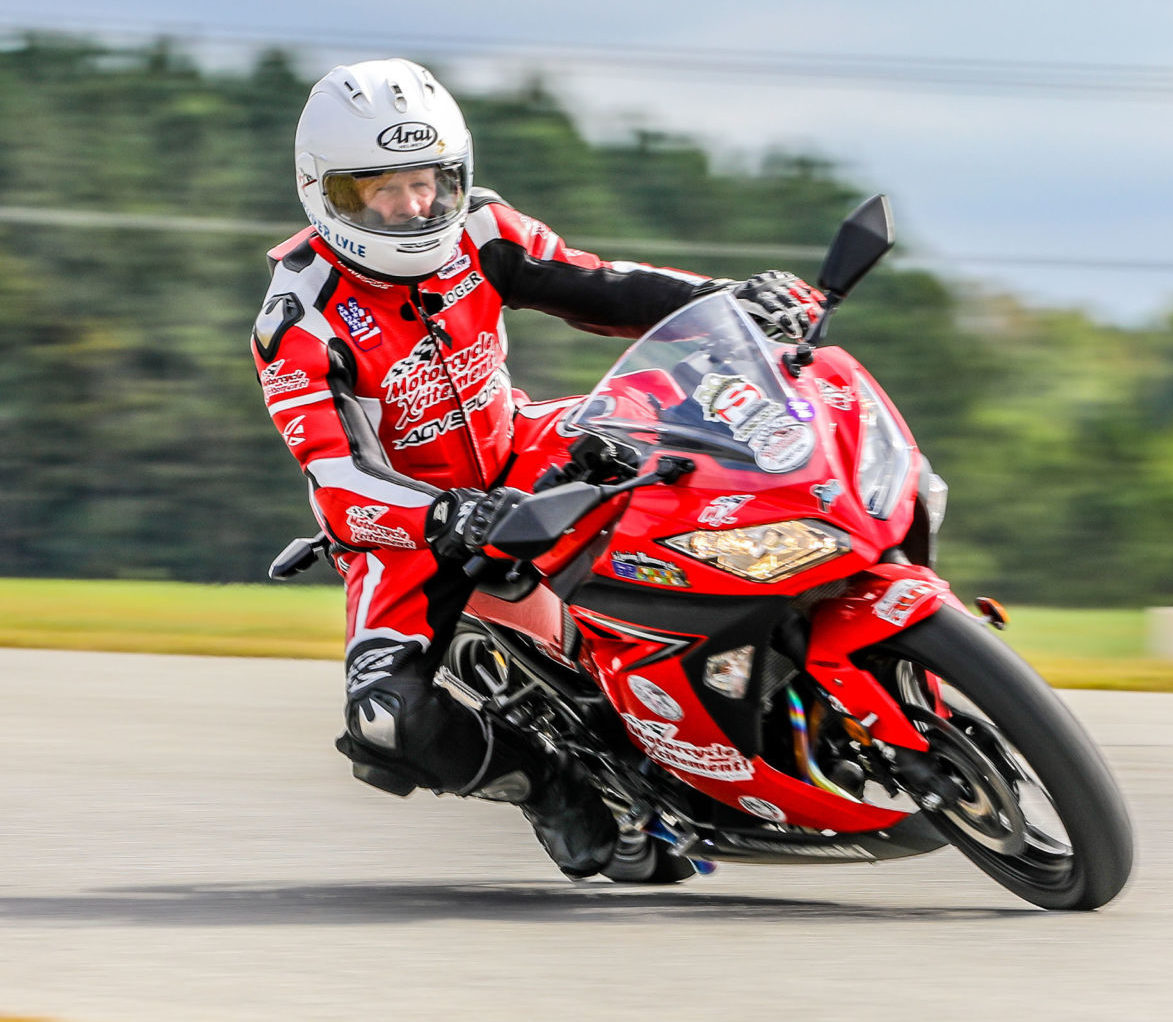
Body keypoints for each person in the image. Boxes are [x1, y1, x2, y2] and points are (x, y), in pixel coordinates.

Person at [251, 58, 824, 879]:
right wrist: (443, 517)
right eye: (381, 190)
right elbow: (336, 475)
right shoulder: (297, 319)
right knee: (385, 723)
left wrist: (733, 301)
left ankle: (766, 669)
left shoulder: (482, 231)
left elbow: (607, 286)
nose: (413, 208)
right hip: (410, 527)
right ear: (324, 193)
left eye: (429, 182)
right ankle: (550, 785)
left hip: (523, 444)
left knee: (702, 461)